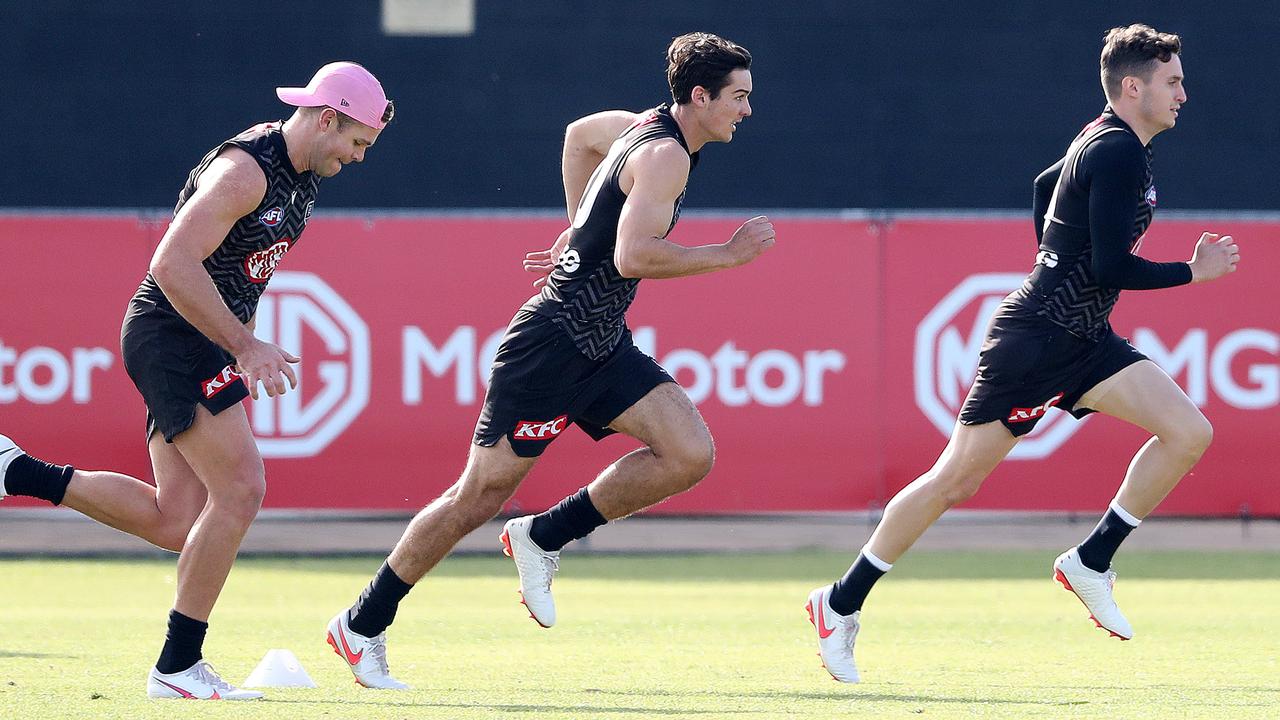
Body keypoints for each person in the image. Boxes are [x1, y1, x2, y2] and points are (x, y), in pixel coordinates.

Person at [324, 32, 772, 689]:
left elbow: (578, 136)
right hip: (551, 346)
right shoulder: (666, 158)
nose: (748, 110)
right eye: (739, 97)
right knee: (476, 497)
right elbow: (632, 257)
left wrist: (577, 227)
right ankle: (360, 624)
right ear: (699, 97)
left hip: (599, 341)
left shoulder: (639, 126)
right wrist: (726, 255)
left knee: (689, 453)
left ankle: (543, 535)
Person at [805, 24, 1240, 683]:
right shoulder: (1116, 150)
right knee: (957, 480)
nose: (1184, 92)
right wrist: (1191, 272)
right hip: (1036, 342)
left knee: (1188, 432)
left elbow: (1046, 186)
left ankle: (1091, 561)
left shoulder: (1110, 142)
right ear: (1133, 86)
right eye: (1172, 81)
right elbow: (1110, 262)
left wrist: (1053, 259)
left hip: (1083, 339)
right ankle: (838, 604)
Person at [0, 61, 393, 700]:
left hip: (196, 341)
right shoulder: (246, 171)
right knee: (242, 489)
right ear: (328, 119)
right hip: (176, 337)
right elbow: (170, 262)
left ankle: (16, 472)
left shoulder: (300, 178)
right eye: (357, 143)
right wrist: (245, 345)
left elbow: (241, 270)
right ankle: (178, 665)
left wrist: (241, 339)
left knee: (174, 520)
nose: (357, 157)